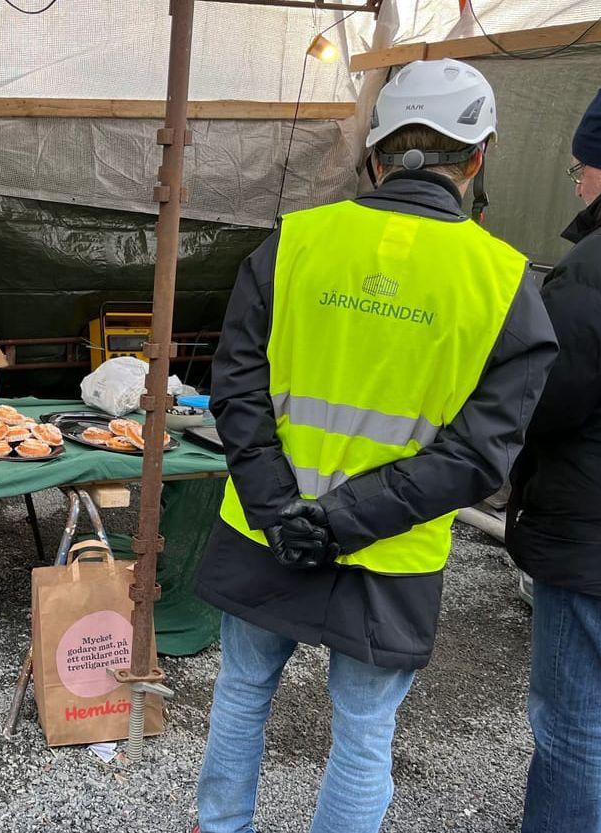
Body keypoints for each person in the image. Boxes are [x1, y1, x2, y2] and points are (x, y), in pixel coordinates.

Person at [190, 58, 559, 833]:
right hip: (389, 556)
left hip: (265, 528)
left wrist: (280, 506)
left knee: (241, 695)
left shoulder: (295, 242)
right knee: (361, 737)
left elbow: (235, 384)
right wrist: (344, 522)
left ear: (376, 150)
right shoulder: (504, 283)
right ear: (478, 157)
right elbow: (479, 454)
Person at [509, 72, 601, 833]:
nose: (575, 181)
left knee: (578, 722)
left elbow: (546, 400)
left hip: (597, 533)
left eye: (579, 164)